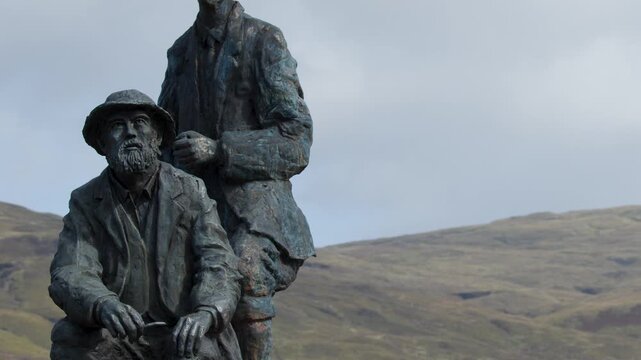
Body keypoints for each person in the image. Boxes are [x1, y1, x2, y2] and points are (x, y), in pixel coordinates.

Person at [158, 0, 314, 358]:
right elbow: (161, 135)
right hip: (194, 209)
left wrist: (220, 150)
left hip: (257, 213)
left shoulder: (264, 40)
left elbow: (296, 141)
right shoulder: (181, 52)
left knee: (244, 270)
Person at [49, 89, 243, 360]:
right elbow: (71, 270)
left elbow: (218, 262)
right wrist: (102, 304)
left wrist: (206, 313)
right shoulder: (86, 201)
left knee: (200, 351)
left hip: (181, 331)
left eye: (140, 123)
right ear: (102, 144)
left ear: (158, 137)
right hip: (120, 336)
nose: (130, 133)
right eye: (117, 126)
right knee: (69, 338)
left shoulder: (191, 191)